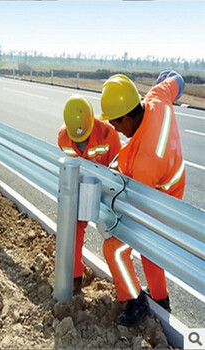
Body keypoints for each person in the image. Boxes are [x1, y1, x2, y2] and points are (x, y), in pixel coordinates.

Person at [100, 71, 185, 327]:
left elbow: (135, 211)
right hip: (174, 181)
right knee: (151, 249)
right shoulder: (157, 97)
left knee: (114, 249)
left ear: (127, 116)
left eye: (116, 123)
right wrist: (166, 78)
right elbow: (177, 80)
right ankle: (161, 300)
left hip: (157, 198)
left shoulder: (144, 161)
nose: (114, 128)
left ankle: (136, 303)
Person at [58, 95, 121, 293]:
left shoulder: (107, 134)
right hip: (80, 190)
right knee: (73, 230)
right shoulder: (63, 137)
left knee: (114, 237)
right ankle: (75, 279)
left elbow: (119, 172)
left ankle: (125, 292)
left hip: (105, 193)